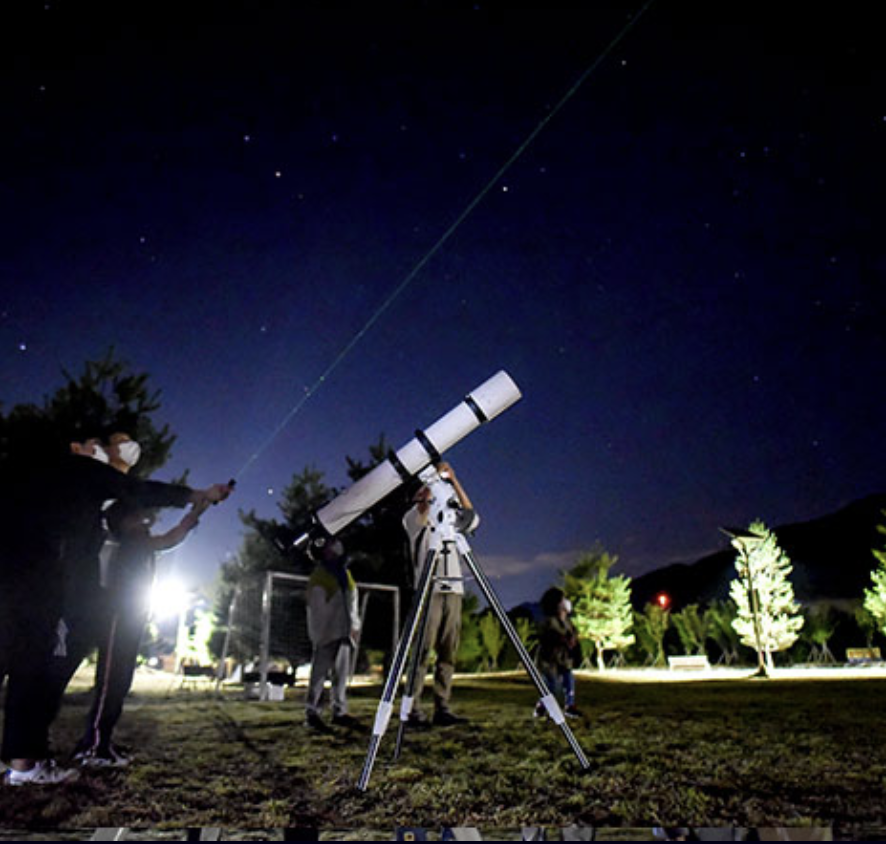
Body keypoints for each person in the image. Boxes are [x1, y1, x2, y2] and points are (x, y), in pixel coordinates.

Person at [0, 431, 233, 785]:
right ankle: (27, 763)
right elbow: (139, 491)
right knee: (33, 672)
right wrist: (194, 494)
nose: (102, 447)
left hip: (17, 579)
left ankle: (21, 763)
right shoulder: (81, 470)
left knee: (22, 668)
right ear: (75, 448)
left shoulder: (36, 478)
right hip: (45, 587)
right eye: (95, 442)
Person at [72, 497, 210, 766]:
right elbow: (168, 539)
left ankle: (99, 741)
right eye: (137, 517)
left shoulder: (138, 543)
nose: (144, 520)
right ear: (123, 523)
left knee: (119, 684)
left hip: (129, 620)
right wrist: (193, 512)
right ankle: (94, 748)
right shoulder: (128, 545)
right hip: (116, 620)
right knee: (111, 684)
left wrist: (196, 512)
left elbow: (169, 538)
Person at [401, 461, 478, 727]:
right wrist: (428, 491)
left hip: (453, 589)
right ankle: (412, 709)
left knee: (448, 652)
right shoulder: (412, 518)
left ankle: (442, 707)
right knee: (422, 651)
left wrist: (453, 481)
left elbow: (470, 515)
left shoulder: (450, 516)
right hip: (429, 590)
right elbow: (422, 514)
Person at [304, 537, 362, 732]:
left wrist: (353, 625)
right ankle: (312, 713)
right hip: (328, 632)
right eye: (330, 546)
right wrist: (323, 632)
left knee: (341, 674)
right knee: (319, 673)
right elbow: (317, 607)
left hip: (344, 631)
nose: (335, 548)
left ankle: (339, 711)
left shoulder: (345, 574)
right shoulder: (320, 575)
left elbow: (352, 601)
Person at [534, 587, 582, 719]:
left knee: (568, 679)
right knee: (553, 685)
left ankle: (570, 706)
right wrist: (565, 640)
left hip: (563, 658)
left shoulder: (567, 622)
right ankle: (542, 707)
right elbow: (550, 636)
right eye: (563, 600)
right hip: (549, 659)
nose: (566, 602)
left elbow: (573, 636)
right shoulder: (549, 621)